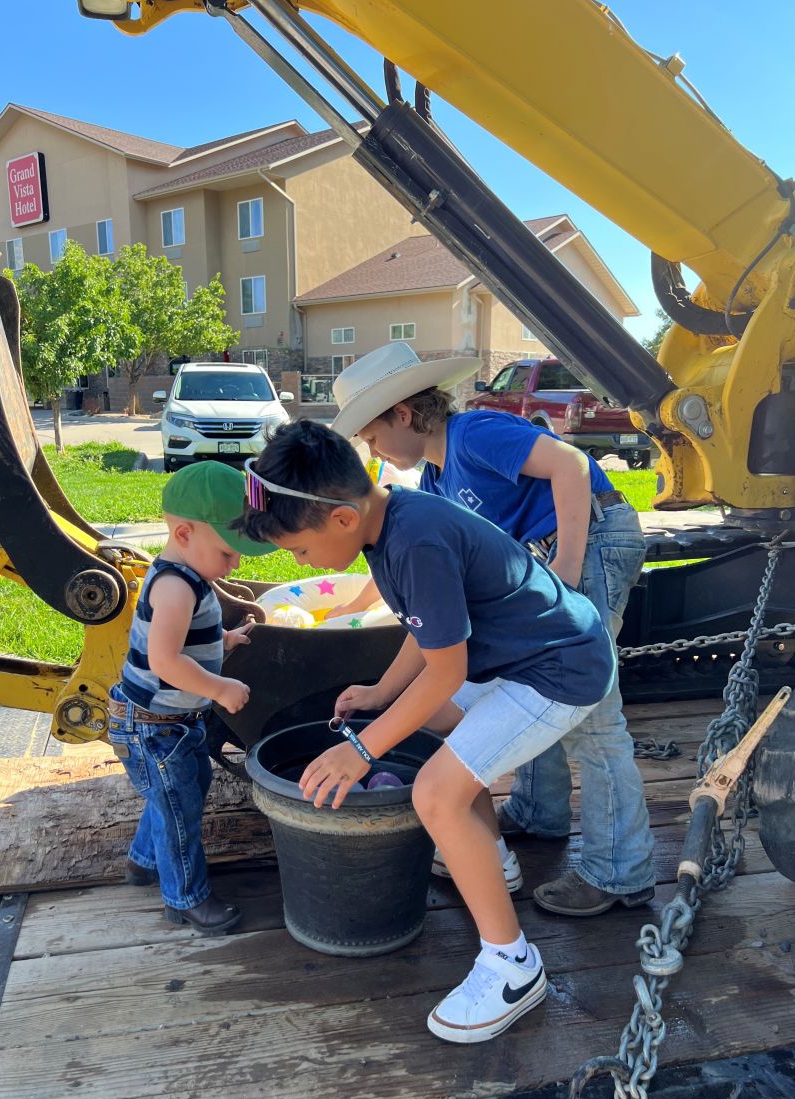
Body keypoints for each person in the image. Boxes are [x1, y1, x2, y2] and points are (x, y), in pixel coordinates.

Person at [234, 419, 614, 1044]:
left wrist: (361, 749)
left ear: (341, 519)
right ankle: (489, 857)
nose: (298, 561)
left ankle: (512, 964)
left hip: (558, 668)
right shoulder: (393, 525)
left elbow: (446, 670)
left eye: (298, 550)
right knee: (439, 731)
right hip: (524, 651)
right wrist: (383, 693)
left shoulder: (415, 540)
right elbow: (426, 625)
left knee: (433, 791)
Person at [328, 342, 654, 917]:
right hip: (544, 561)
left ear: (403, 413)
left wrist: (568, 572)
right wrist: (384, 690)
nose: (370, 448)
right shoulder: (432, 485)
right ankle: (539, 811)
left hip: (589, 539)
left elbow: (571, 466)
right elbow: (434, 619)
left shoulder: (474, 434)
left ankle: (618, 871)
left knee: (593, 716)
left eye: (372, 434)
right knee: (520, 673)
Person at [108, 461, 273, 934]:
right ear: (184, 533)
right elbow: (165, 661)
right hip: (153, 726)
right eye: (227, 552)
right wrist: (219, 687)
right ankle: (185, 899)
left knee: (180, 793)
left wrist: (225, 640)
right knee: (179, 812)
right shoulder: (175, 588)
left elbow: (187, 643)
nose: (235, 563)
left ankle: (142, 861)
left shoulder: (191, 578)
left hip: (170, 723)